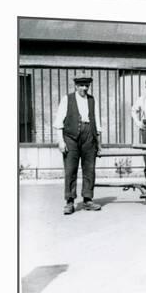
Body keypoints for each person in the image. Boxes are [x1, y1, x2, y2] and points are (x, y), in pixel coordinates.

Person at [53, 70, 102, 215]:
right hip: (71, 137)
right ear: (75, 86)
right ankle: (69, 201)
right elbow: (58, 122)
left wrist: (99, 144)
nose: (84, 88)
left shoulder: (92, 100)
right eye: (81, 85)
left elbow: (97, 123)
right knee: (70, 169)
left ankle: (88, 199)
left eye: (86, 85)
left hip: (89, 137)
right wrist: (60, 141)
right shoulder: (66, 99)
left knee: (89, 169)